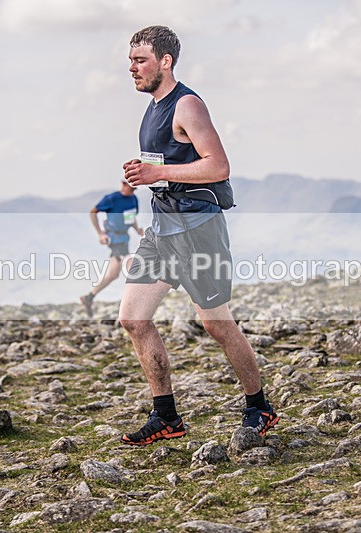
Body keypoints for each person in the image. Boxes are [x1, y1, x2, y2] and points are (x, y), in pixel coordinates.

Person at [117, 25, 278, 446]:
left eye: (140, 60)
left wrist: (159, 172)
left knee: (216, 324)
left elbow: (219, 166)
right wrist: (146, 172)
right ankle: (166, 416)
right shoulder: (153, 107)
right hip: (163, 229)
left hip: (199, 230)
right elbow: (168, 163)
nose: (131, 68)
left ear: (165, 61)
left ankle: (258, 406)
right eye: (130, 60)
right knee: (134, 318)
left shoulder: (186, 104)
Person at [79, 180, 144, 317]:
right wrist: (100, 234)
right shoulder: (112, 199)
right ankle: (138, 302)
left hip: (125, 238)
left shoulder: (133, 199)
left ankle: (89, 297)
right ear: (124, 184)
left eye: (134, 188)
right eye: (131, 187)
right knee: (131, 266)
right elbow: (93, 212)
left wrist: (137, 229)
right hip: (114, 238)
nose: (132, 190)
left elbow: (131, 217)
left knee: (113, 274)